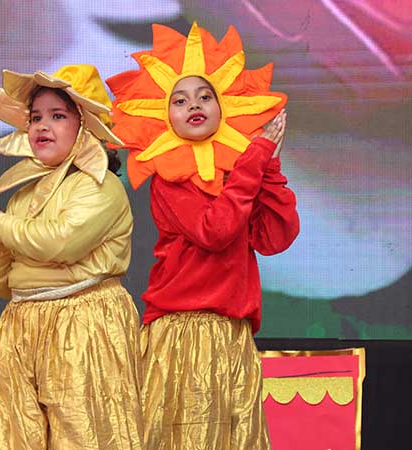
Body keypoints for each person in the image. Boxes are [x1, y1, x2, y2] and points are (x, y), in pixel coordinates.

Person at [106, 23, 300, 449]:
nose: (193, 104)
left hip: (232, 333)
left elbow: (275, 237)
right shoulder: (170, 181)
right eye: (179, 100)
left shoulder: (237, 174)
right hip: (184, 333)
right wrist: (254, 162)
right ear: (164, 116)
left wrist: (268, 168)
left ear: (223, 108)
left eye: (204, 96)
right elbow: (215, 231)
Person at [0, 65, 143, 449]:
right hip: (21, 326)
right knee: (14, 436)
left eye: (57, 116)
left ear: (86, 126)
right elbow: (4, 285)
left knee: (83, 435)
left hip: (83, 323)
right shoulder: (23, 197)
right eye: (35, 117)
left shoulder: (100, 187)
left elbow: (61, 243)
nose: (42, 125)